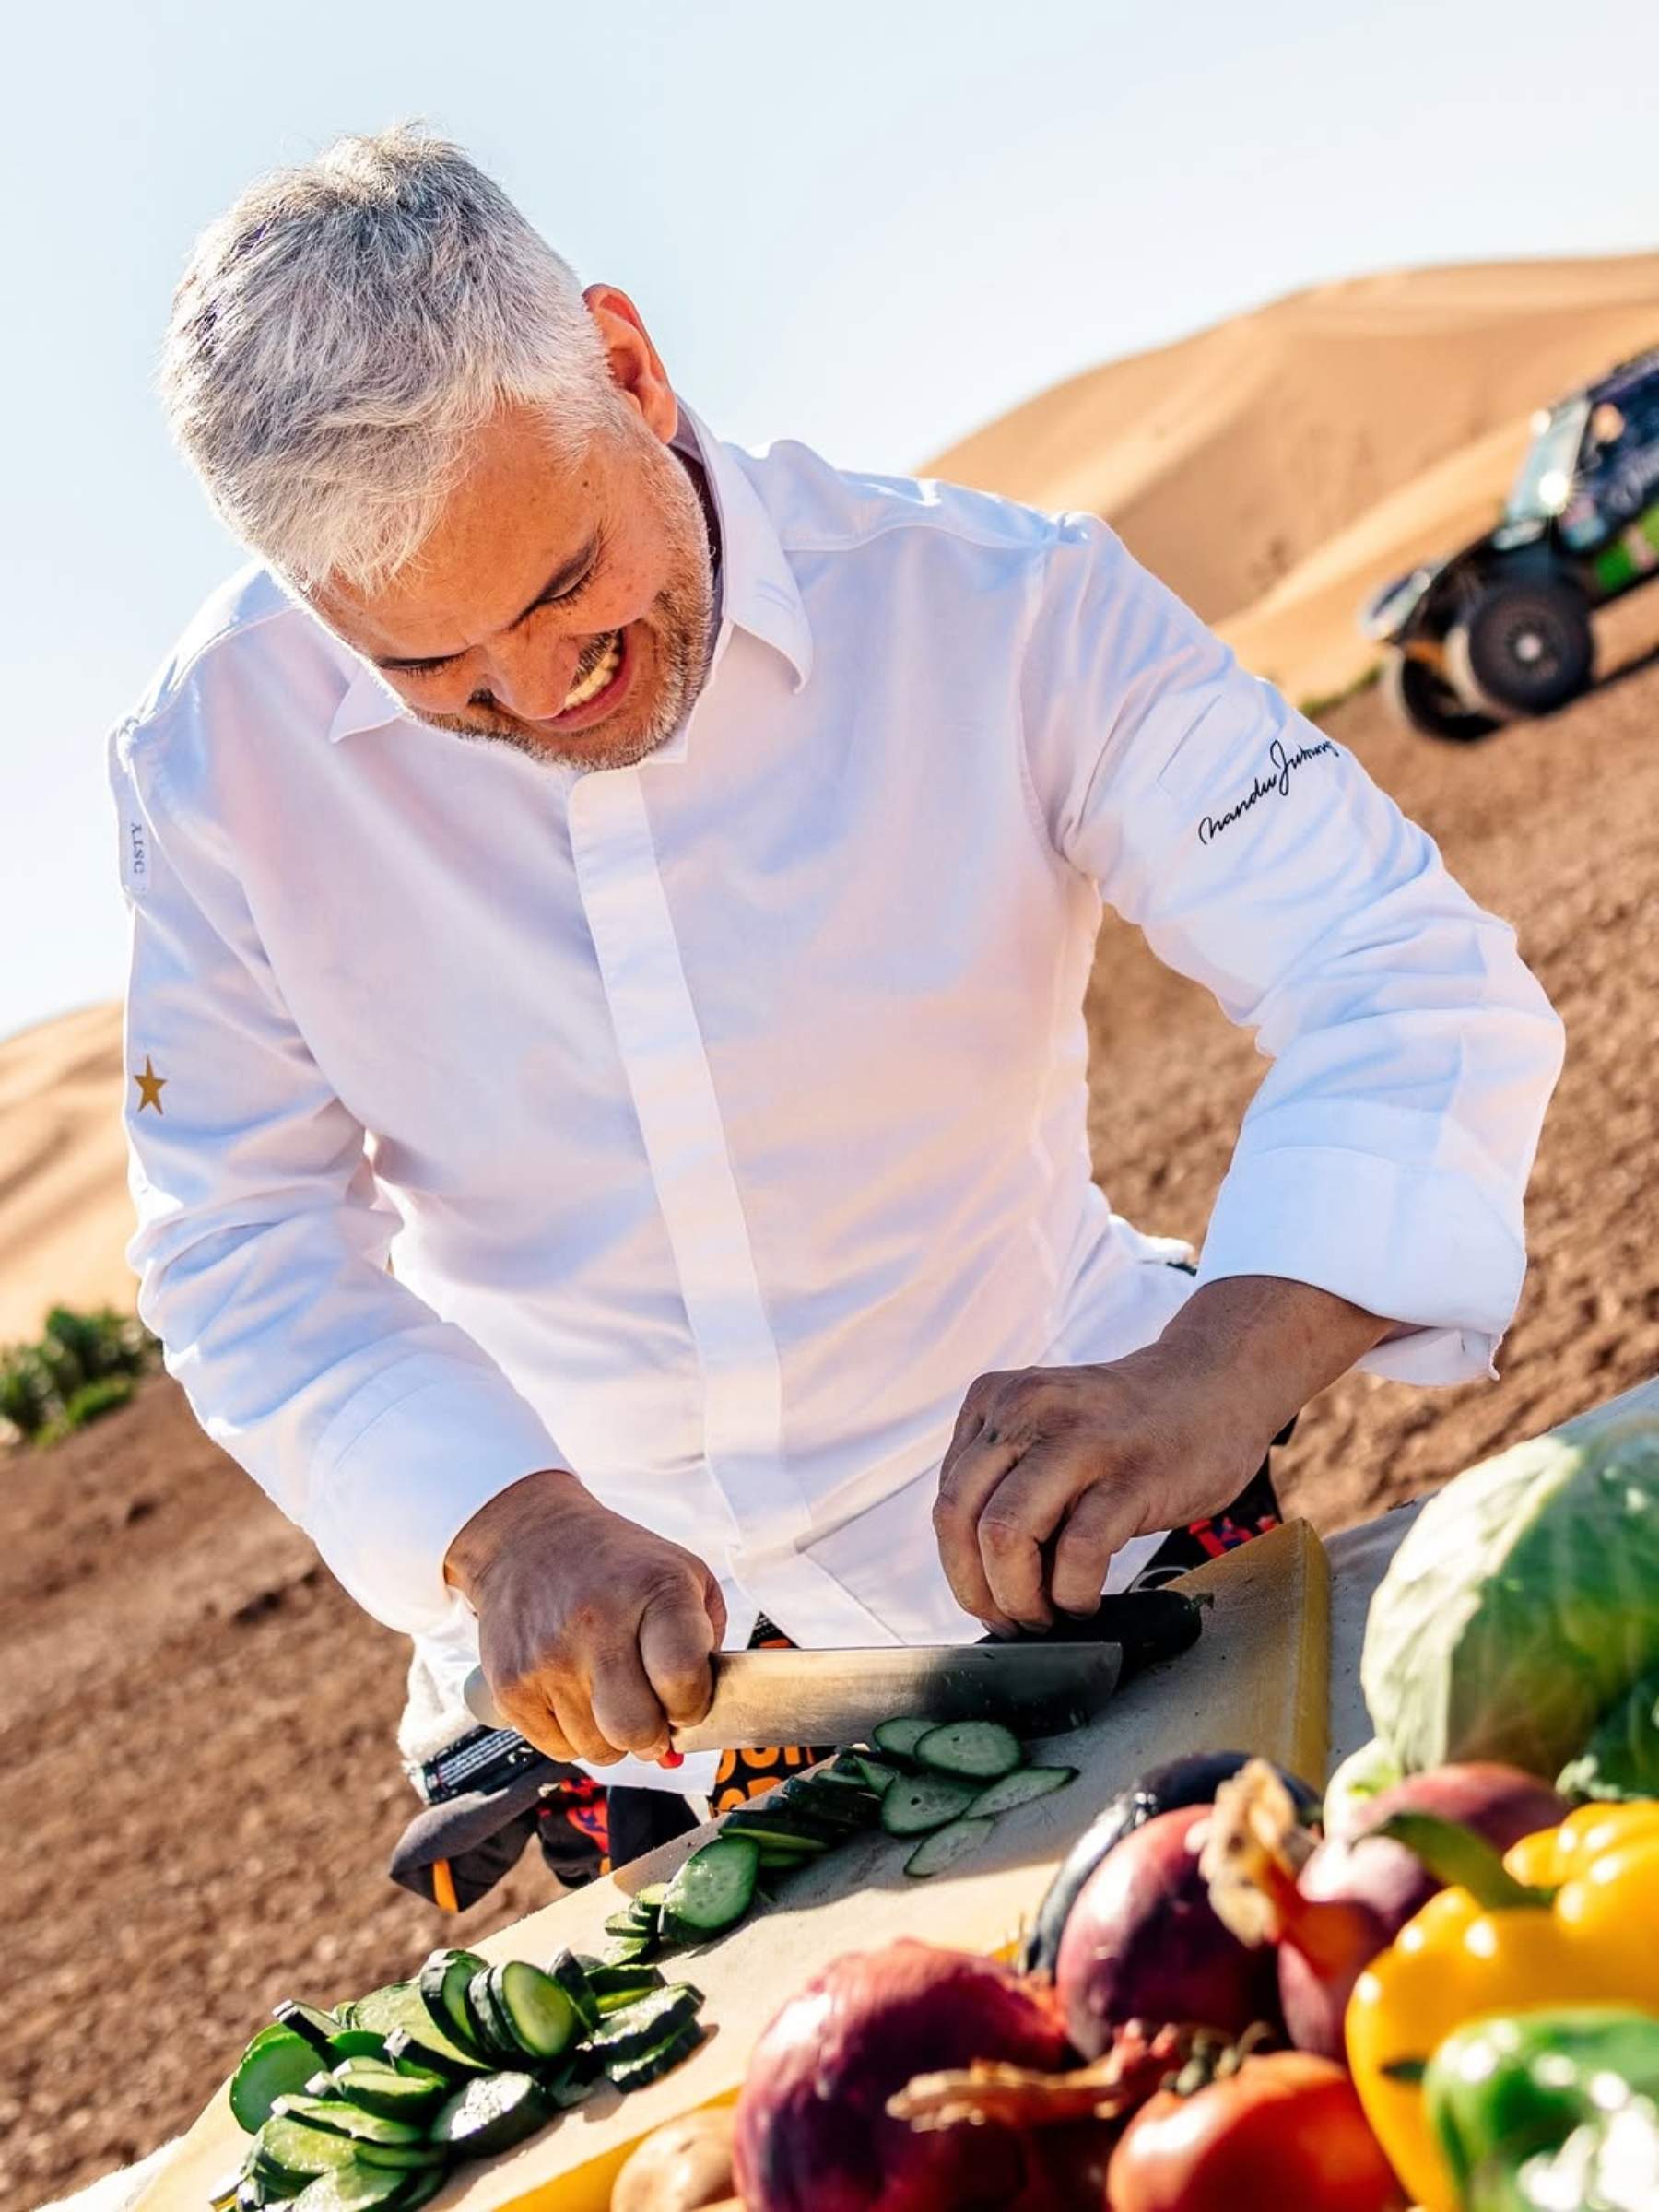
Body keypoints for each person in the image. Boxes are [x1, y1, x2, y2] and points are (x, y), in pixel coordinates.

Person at [113, 126, 1563, 1886]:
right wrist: (505, 1531)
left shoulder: (1006, 608)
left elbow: (1397, 968)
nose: (537, 692)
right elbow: (239, 1235)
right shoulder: (213, 765)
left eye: (566, 584)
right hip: (625, 1694)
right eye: (425, 670)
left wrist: (1216, 1362)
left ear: (630, 372)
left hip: (1085, 1550)